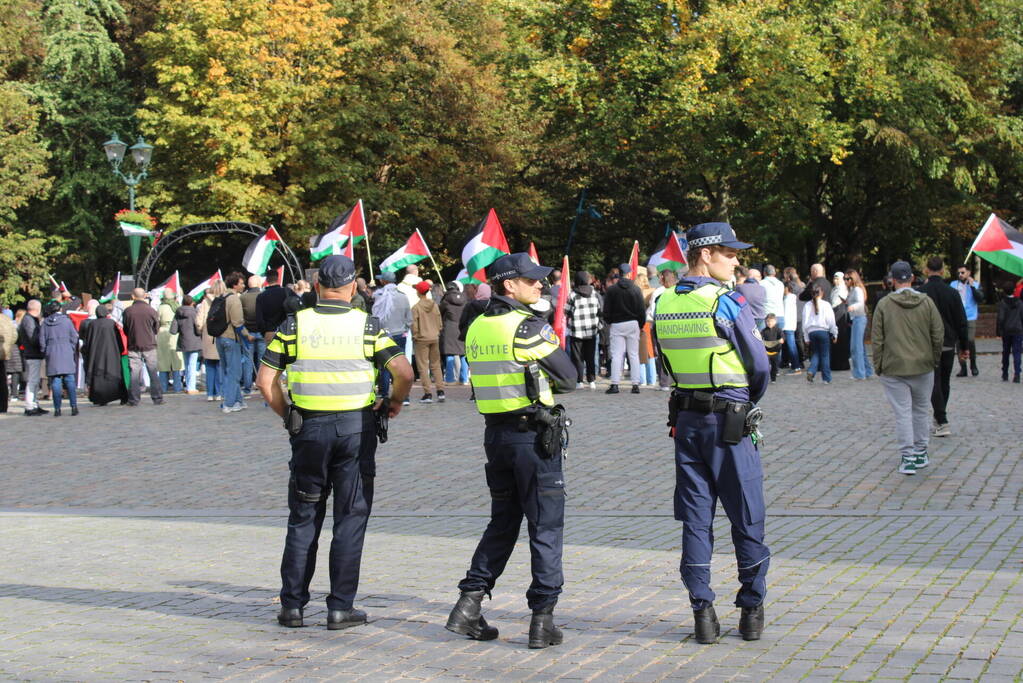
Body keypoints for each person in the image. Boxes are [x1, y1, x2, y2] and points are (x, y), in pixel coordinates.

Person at [255, 255, 413, 631]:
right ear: (355, 285)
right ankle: (340, 607)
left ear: (316, 286)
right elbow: (403, 372)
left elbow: (265, 381)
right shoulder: (366, 326)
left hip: (309, 430)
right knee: (350, 517)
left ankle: (292, 606)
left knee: (304, 517)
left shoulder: (295, 325)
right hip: (355, 431)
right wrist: (393, 402)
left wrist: (288, 415)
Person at [445, 253, 576, 649]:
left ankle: (468, 605)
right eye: (532, 280)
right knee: (545, 527)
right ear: (509, 285)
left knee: (502, 523)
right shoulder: (526, 327)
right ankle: (542, 618)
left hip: (496, 437)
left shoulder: (479, 326)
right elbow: (570, 378)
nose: (542, 285)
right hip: (533, 439)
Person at [653, 222, 770, 644]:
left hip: (686, 421)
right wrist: (745, 400)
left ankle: (702, 612)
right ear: (706, 254)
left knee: (696, 520)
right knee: (747, 515)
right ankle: (751, 610)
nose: (737, 260)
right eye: (731, 253)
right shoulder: (725, 301)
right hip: (729, 423)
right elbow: (758, 365)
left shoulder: (663, 302)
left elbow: (664, 362)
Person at [873, 260, 943, 475]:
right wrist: (934, 359)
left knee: (902, 412)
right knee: (921, 409)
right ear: (912, 278)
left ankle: (908, 456)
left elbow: (877, 338)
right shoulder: (927, 303)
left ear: (892, 280)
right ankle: (921, 451)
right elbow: (938, 334)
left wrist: (878, 365)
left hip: (894, 366)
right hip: (923, 365)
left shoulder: (884, 305)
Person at [917, 257, 968, 436]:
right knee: (944, 381)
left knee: (934, 382)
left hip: (928, 343)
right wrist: (964, 346)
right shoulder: (952, 293)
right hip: (947, 342)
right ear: (943, 269)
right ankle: (940, 417)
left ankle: (941, 419)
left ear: (926, 269)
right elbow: (961, 321)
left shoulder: (921, 293)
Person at [602, 263, 646, 394]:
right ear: (629, 273)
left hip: (617, 324)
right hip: (633, 323)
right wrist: (640, 324)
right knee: (633, 354)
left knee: (616, 355)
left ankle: (615, 384)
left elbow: (606, 310)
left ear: (619, 273)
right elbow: (641, 310)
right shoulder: (636, 289)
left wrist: (610, 321)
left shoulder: (612, 290)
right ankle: (635, 384)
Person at [218, 272, 257, 414]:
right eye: (241, 283)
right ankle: (228, 403)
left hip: (219, 338)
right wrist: (248, 336)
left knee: (227, 370)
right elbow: (237, 322)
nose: (243, 285)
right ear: (235, 285)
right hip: (231, 338)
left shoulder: (221, 297)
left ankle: (238, 401)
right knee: (234, 372)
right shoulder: (234, 299)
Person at [372, 271, 412, 400]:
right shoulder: (403, 296)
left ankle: (384, 394)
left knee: (385, 366)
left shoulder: (379, 296)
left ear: (383, 281)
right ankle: (404, 396)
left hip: (385, 335)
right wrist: (404, 329)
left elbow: (376, 317)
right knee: (401, 365)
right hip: (400, 334)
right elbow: (409, 318)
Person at [122, 288, 163, 406]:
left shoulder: (128, 311)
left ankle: (134, 399)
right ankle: (157, 398)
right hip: (149, 345)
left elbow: (125, 329)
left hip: (133, 345)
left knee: (134, 373)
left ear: (133, 296)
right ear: (145, 296)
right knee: (153, 372)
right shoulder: (151, 311)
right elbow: (156, 328)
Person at [39, 301, 79, 417]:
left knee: (55, 382)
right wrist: (70, 348)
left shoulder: (45, 323)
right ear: (60, 309)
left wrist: (46, 351)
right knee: (70, 381)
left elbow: (42, 341)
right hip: (66, 351)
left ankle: (57, 409)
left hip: (52, 353)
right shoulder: (67, 321)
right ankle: (73, 406)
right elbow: (74, 337)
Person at [81, 304, 127, 406]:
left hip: (97, 355)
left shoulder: (92, 325)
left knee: (99, 376)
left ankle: (100, 398)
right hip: (112, 354)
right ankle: (121, 396)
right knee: (115, 374)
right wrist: (121, 350)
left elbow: (88, 341)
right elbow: (119, 339)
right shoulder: (112, 323)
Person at [565, 270, 601, 389]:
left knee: (577, 357)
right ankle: (591, 380)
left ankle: (579, 381)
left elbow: (567, 311)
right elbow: (600, 310)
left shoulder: (572, 295)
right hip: (592, 330)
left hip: (576, 331)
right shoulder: (595, 293)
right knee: (590, 356)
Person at [411, 280, 444, 403]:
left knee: (423, 367)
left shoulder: (416, 307)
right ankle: (440, 391)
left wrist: (415, 335)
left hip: (421, 339)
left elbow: (414, 325)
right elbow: (440, 322)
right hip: (434, 337)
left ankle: (428, 393)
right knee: (436, 365)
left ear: (418, 292)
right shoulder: (434, 305)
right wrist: (437, 331)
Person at [196, 280, 226, 402]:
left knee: (209, 365)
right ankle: (219, 392)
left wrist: (201, 331)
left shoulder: (205, 302)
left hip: (208, 335)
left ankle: (210, 393)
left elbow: (198, 321)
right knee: (220, 366)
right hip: (221, 334)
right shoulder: (225, 300)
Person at [17, 300, 48, 415]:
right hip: (32, 354)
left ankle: (34, 403)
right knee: (33, 381)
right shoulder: (29, 320)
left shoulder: (30, 319)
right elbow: (33, 338)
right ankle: (30, 406)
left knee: (35, 381)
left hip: (34, 354)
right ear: (38, 309)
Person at [802, 285, 837, 384]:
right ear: (822, 293)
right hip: (823, 331)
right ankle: (826, 378)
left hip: (812, 332)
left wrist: (806, 337)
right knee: (825, 355)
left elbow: (805, 322)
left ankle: (811, 370)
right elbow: (831, 321)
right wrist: (835, 333)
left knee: (816, 353)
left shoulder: (807, 305)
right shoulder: (826, 305)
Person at [952, 264, 983, 376]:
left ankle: (973, 364)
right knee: (959, 343)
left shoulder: (975, 285)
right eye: (959, 273)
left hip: (970, 317)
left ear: (969, 273)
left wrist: (972, 287)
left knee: (970, 340)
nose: (960, 275)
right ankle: (963, 367)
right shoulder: (953, 285)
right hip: (958, 317)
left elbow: (980, 298)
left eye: (963, 272)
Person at [845, 269, 874, 380]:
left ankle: (859, 373)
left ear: (853, 279)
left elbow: (860, 302)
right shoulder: (853, 290)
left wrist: (853, 306)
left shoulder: (857, 289)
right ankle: (867, 370)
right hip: (856, 318)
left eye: (848, 278)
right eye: (845, 279)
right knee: (860, 347)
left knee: (855, 347)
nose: (846, 281)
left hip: (859, 318)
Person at [439, 282, 469, 385]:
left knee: (449, 353)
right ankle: (464, 379)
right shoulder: (464, 298)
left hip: (449, 327)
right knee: (463, 354)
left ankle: (450, 379)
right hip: (462, 326)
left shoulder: (445, 299)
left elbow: (440, 312)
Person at [239, 274, 264, 394]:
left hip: (247, 332)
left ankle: (247, 387)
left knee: (248, 361)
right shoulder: (263, 295)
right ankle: (261, 385)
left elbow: (240, 316)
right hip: (261, 332)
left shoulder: (242, 297)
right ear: (259, 284)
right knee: (262, 360)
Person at [173, 298, 202, 393]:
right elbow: (198, 328)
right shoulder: (194, 312)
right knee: (192, 365)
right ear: (192, 303)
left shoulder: (178, 312)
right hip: (194, 341)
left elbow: (173, 329)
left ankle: (188, 386)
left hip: (183, 341)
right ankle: (191, 387)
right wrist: (200, 333)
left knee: (187, 364)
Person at [157, 289, 183, 393]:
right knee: (176, 361)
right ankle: (178, 387)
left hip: (163, 334)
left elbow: (157, 322)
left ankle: (163, 387)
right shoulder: (177, 307)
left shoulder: (160, 307)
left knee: (163, 362)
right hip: (175, 333)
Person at [996, 281, 1023, 382]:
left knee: (1006, 352)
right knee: (1017, 352)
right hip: (1018, 330)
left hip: (1007, 331)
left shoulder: (1003, 303)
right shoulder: (1019, 303)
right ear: (1014, 290)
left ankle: (1005, 373)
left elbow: (1001, 318)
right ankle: (1017, 374)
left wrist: (999, 330)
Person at [256, 269, 289, 342]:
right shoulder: (286, 292)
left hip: (269, 332)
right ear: (277, 278)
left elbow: (259, 319)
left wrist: (265, 332)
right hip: (285, 331)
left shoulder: (261, 296)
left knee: (271, 353)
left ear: (267, 280)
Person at [782, 281, 803, 374]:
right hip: (791, 325)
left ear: (787, 288)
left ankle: (796, 366)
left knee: (791, 346)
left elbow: (785, 313)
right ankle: (796, 366)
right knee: (792, 346)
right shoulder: (793, 298)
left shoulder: (788, 299)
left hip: (788, 325)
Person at [0, 310, 17, 413]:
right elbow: (14, 335)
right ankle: (3, 406)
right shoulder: (6, 319)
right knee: (2, 380)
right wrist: (8, 346)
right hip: (4, 353)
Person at [761, 265, 785, 330]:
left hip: (767, 316)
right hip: (780, 314)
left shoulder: (761, 283)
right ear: (774, 273)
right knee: (778, 339)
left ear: (764, 273)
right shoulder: (781, 284)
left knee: (765, 339)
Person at [761, 313, 783, 382]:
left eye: (771, 321)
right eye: (768, 321)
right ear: (765, 322)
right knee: (766, 365)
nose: (769, 323)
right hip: (766, 351)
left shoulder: (778, 330)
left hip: (776, 351)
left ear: (775, 321)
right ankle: (766, 377)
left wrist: (782, 339)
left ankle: (773, 378)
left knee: (775, 365)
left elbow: (782, 336)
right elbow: (760, 337)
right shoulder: (764, 331)